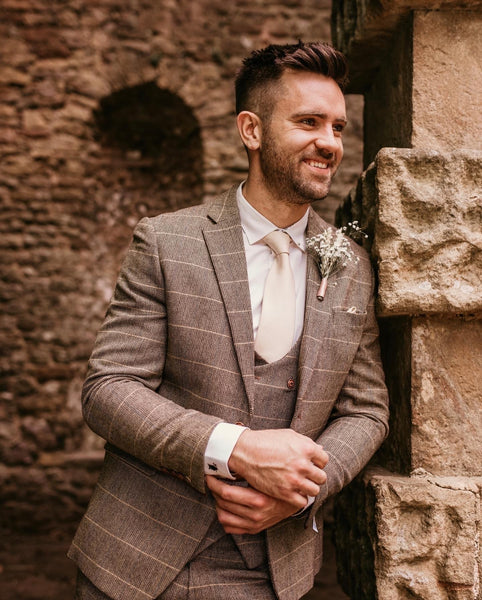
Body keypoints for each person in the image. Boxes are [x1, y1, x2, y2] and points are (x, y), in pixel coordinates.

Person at [69, 41, 389, 600]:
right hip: (136, 565)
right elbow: (108, 389)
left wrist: (302, 490)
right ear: (252, 130)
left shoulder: (352, 265)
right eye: (309, 122)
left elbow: (367, 410)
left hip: (275, 571)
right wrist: (234, 448)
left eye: (337, 127)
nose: (329, 143)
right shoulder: (166, 240)